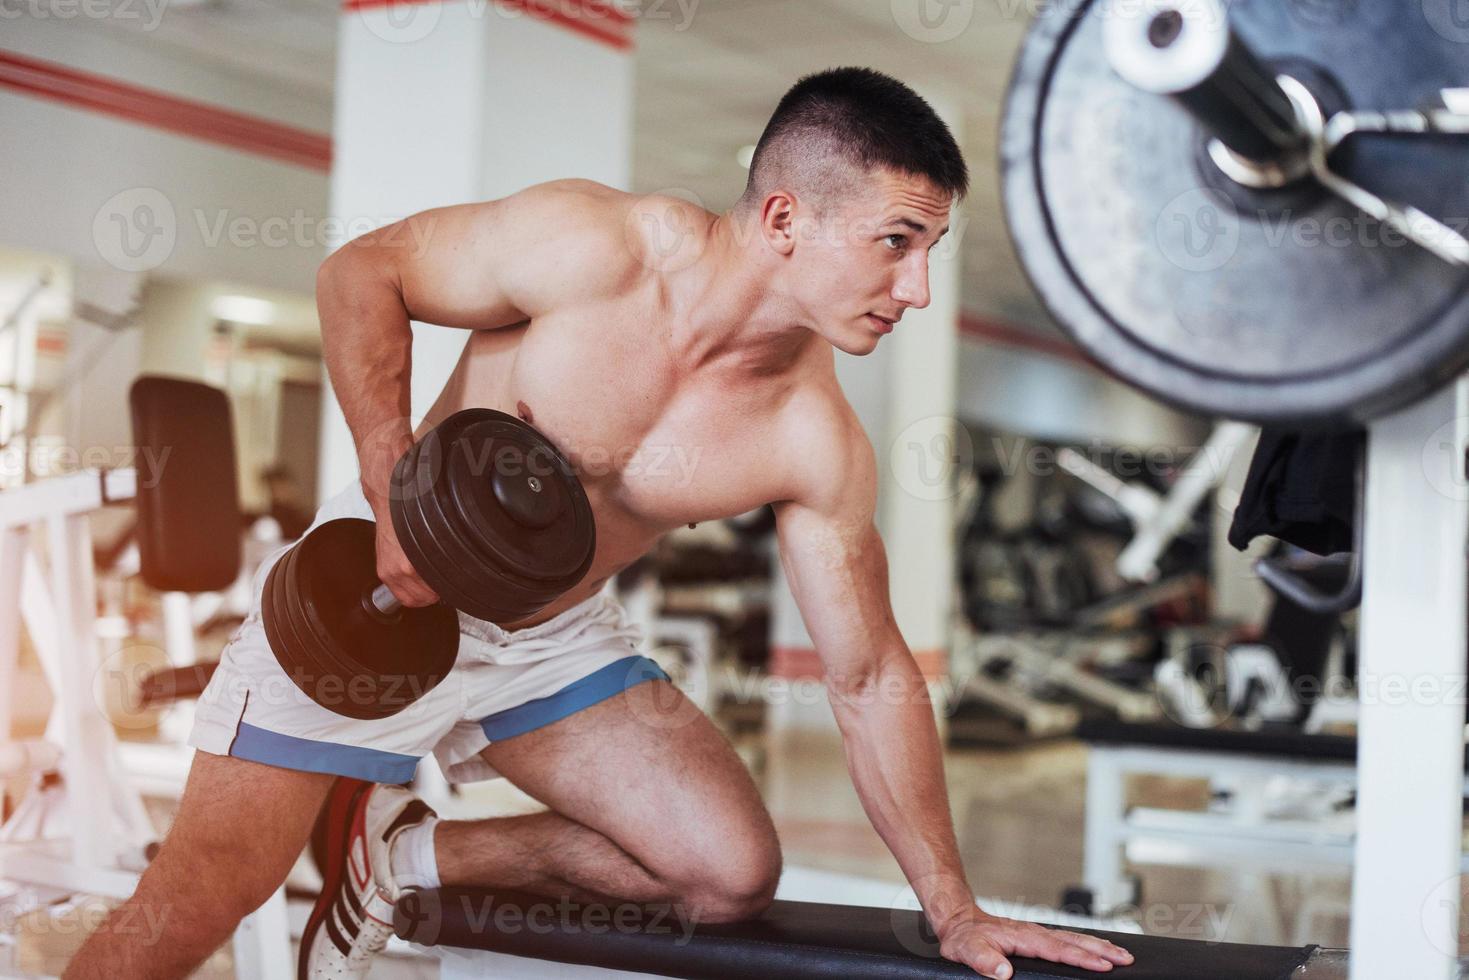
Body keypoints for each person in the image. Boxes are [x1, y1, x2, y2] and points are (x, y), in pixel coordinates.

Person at [66, 68, 1134, 980]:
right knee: (196, 903)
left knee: (724, 874)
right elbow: (362, 272)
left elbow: (864, 675)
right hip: (381, 595)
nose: (916, 287)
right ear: (782, 220)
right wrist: (392, 486)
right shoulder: (590, 247)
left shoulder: (812, 440)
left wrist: (950, 905)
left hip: (548, 640)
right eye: (897, 242)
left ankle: (399, 853)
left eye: (930, 248)